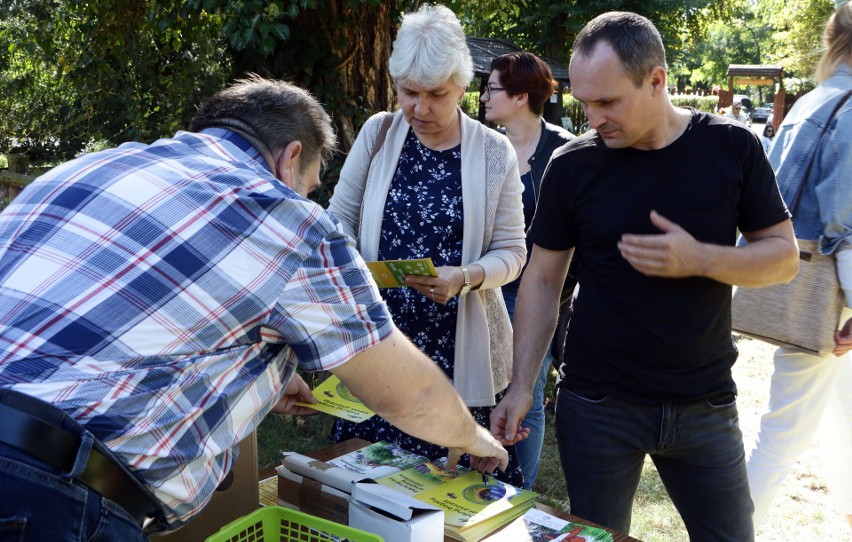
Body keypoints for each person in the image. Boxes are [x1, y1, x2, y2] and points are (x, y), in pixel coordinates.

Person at [0, 75, 510, 541]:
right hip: (50, 492)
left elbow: (118, 322)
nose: (306, 198)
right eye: (310, 186)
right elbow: (412, 395)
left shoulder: (90, 168)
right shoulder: (285, 216)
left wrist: (257, 378)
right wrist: (475, 436)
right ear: (291, 158)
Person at [489, 11, 800, 541]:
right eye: (585, 102)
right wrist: (521, 385)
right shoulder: (572, 165)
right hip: (597, 407)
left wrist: (701, 259)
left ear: (656, 80)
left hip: (705, 405)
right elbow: (543, 280)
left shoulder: (731, 148)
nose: (594, 117)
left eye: (608, 101)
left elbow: (782, 257)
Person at [327, 4, 527, 486]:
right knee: (368, 489)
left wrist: (465, 277)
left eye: (436, 94)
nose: (419, 108)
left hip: (459, 354)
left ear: (462, 86)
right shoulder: (377, 134)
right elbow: (335, 226)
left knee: (446, 498)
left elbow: (513, 253)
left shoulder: (494, 151)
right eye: (408, 93)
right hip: (380, 347)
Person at [746, 0, 852, 531]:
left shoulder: (815, 100)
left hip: (796, 276)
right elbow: (844, 221)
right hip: (829, 294)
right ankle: (727, 529)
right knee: (782, 435)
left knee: (837, 413)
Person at [481, 51, 575, 490]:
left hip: (534, 295)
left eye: (492, 88)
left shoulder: (566, 150)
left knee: (527, 393)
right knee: (482, 389)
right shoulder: (481, 147)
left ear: (520, 96)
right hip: (482, 289)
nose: (482, 97)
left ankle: (519, 490)